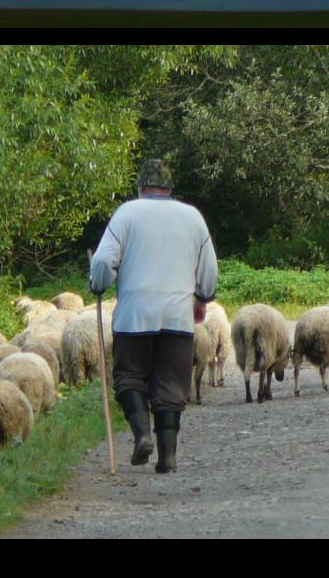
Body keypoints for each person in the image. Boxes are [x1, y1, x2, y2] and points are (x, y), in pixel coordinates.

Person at [89, 158, 218, 473]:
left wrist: (98, 283)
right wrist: (202, 298)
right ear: (170, 187)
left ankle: (142, 434)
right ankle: (168, 456)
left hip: (134, 317)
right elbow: (210, 268)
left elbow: (104, 262)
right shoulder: (192, 217)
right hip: (177, 318)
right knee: (172, 384)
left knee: (129, 376)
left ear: (140, 187)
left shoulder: (126, 214)